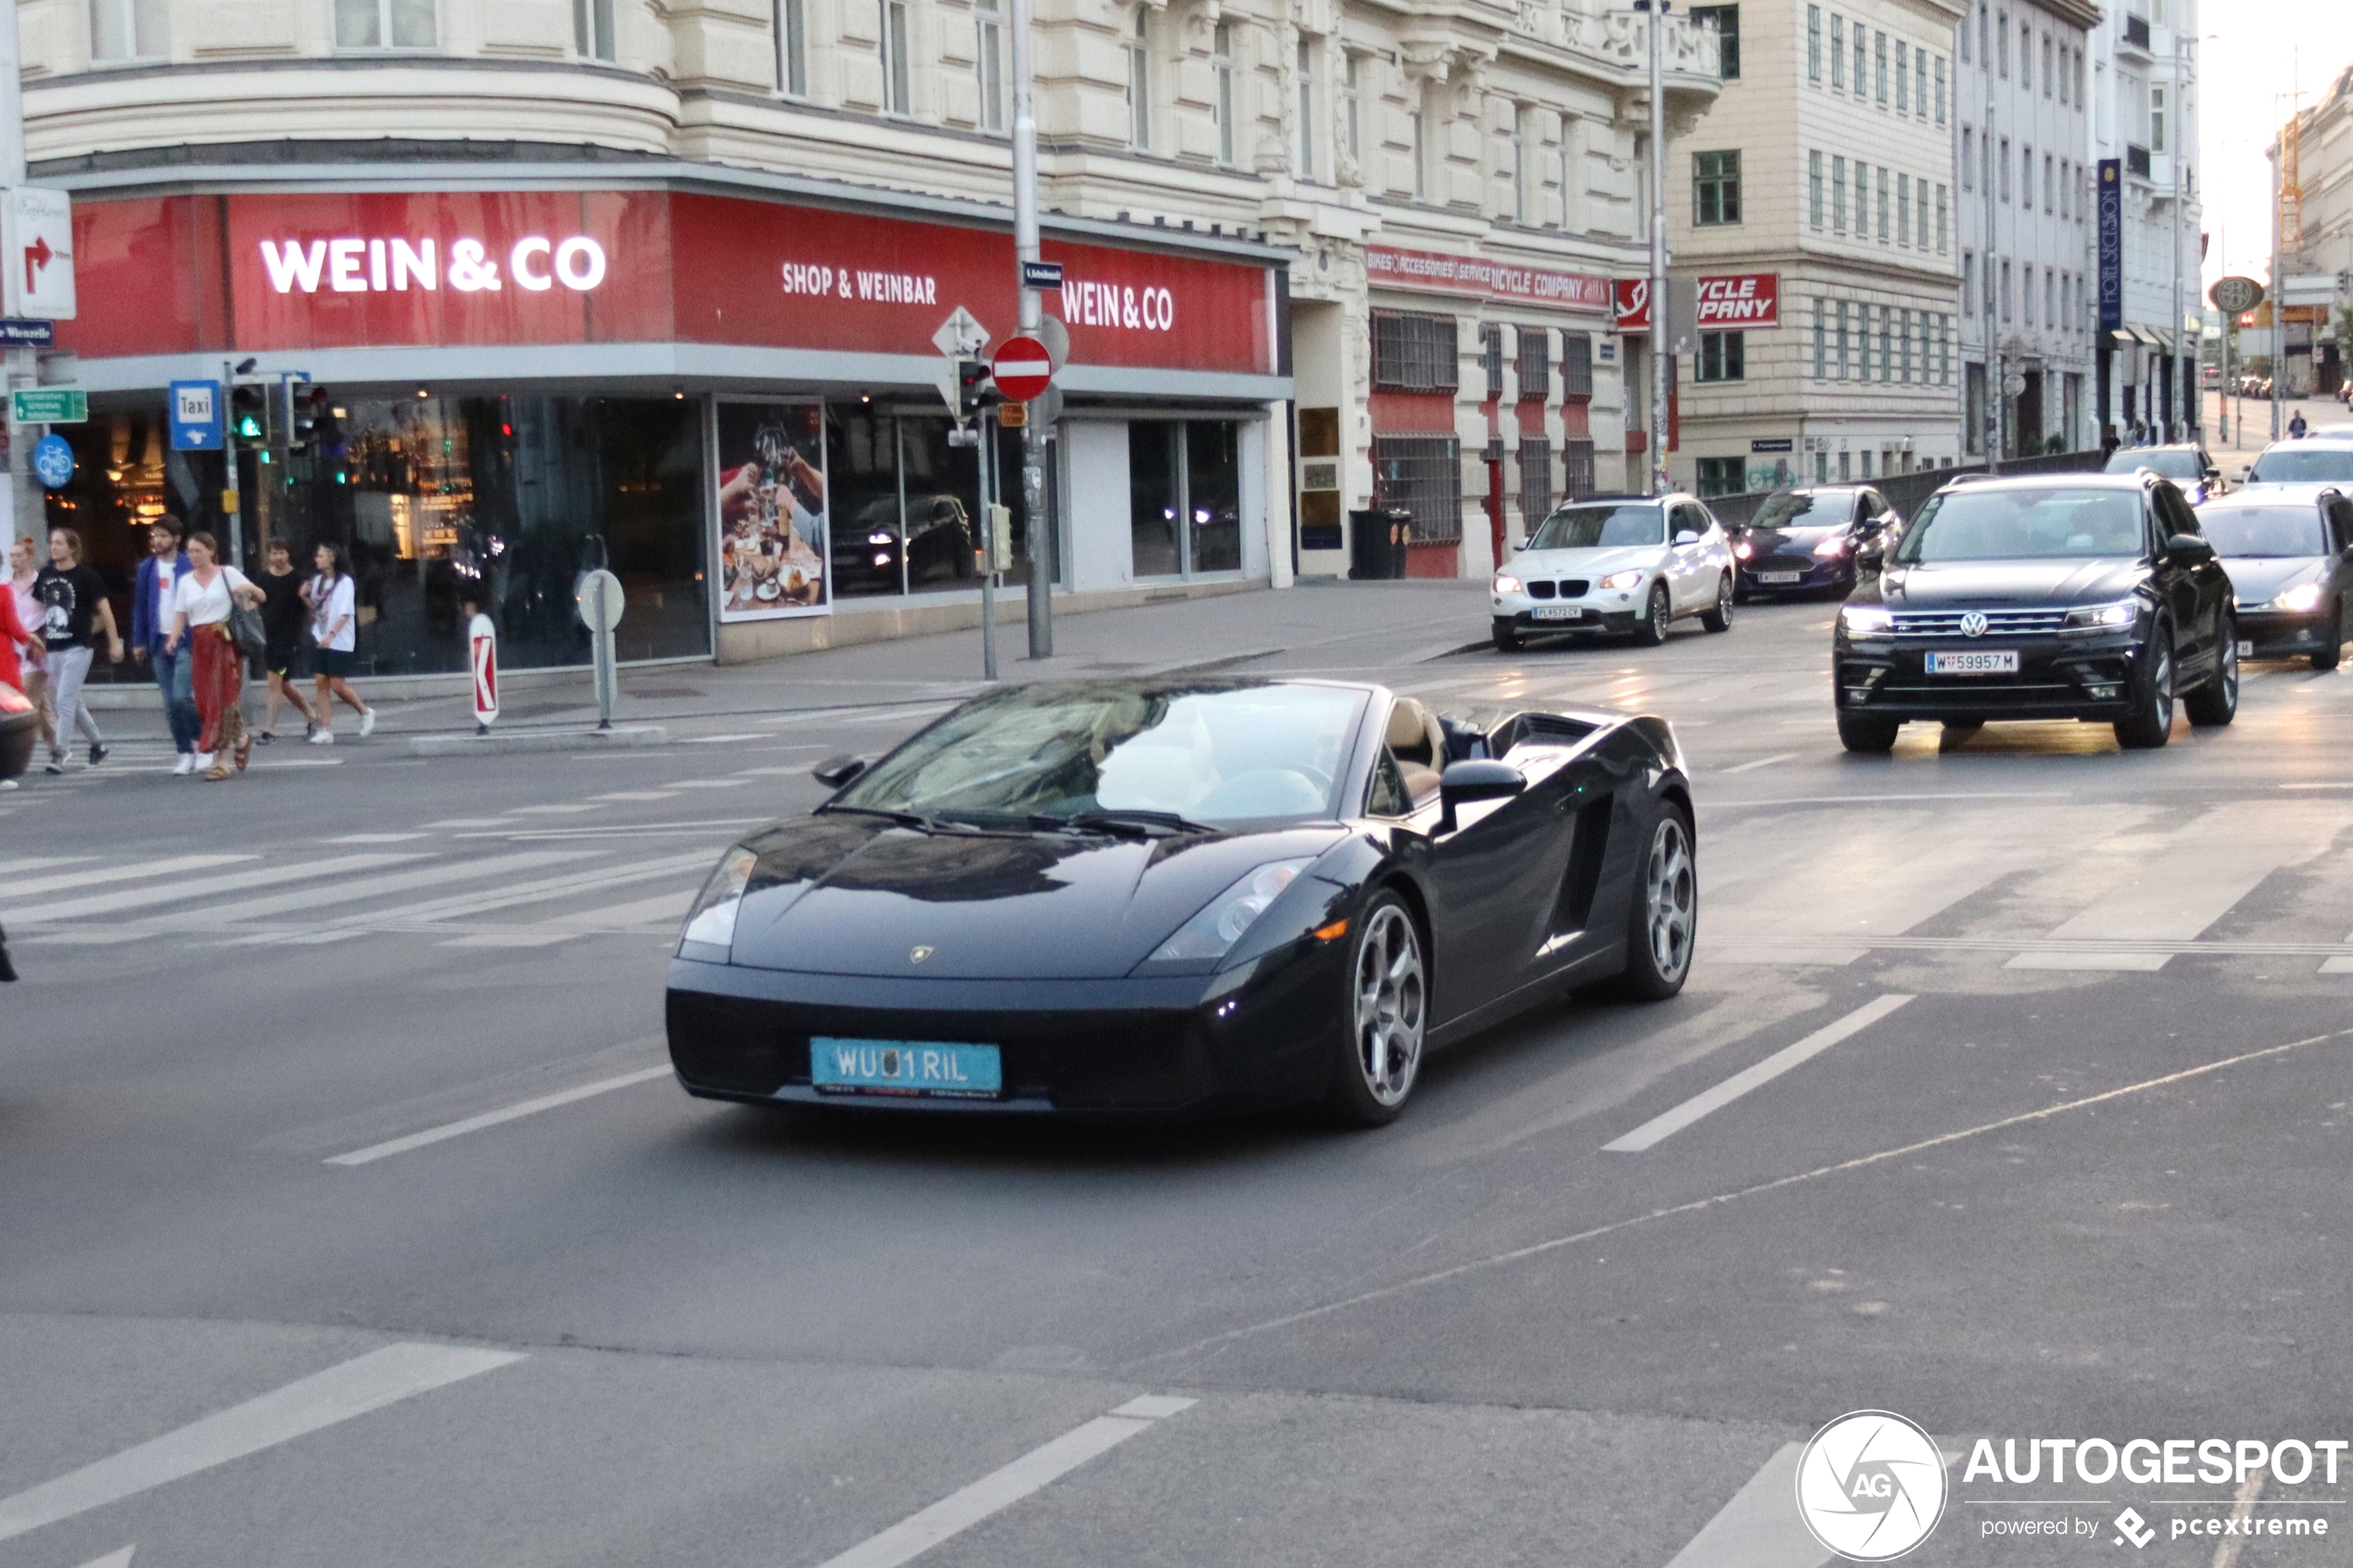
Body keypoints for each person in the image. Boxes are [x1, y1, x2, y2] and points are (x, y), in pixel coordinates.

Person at [162, 531, 262, 781]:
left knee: (222, 700)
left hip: (224, 643)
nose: (193, 555)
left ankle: (220, 762)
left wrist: (249, 588)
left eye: (198, 550)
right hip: (200, 644)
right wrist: (173, 637)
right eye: (190, 551)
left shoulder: (227, 574)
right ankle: (240, 738)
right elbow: (180, 613)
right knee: (205, 702)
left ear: (211, 551)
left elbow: (260, 596)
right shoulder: (186, 581)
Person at [32, 527, 120, 774]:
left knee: (63, 700)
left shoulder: (87, 577)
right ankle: (98, 745)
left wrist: (114, 641)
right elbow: (37, 610)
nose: (54, 547)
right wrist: (33, 639)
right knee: (71, 700)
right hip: (54, 646)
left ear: (72, 548)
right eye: (52, 543)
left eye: (60, 543)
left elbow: (106, 611)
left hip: (79, 645)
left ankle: (60, 753)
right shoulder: (46, 575)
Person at [130, 515, 201, 773]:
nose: (157, 541)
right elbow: (140, 606)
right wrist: (138, 640)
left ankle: (204, 739)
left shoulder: (188, 564)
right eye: (154, 536)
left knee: (182, 696)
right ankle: (185, 751)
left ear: (176, 538)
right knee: (170, 701)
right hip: (159, 640)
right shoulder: (147, 568)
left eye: (162, 536)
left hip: (185, 638)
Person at [303, 543, 374, 744]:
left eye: (321, 556)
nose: (317, 559)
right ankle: (326, 729)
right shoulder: (317, 582)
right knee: (321, 682)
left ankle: (365, 711)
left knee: (337, 684)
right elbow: (318, 609)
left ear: (332, 558)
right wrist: (304, 597)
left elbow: (345, 613)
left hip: (339, 639)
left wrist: (331, 635)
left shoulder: (345, 582)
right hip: (321, 635)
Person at [254, 538, 317, 744]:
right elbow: (256, 603)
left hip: (289, 639)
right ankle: (312, 715)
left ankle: (269, 730)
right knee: (283, 684)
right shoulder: (264, 578)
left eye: (282, 552)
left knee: (274, 680)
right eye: (274, 553)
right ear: (268, 555)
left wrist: (304, 597)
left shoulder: (298, 578)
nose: (278, 557)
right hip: (269, 638)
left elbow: (312, 605)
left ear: (288, 554)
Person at [8, 534, 57, 763]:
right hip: (14, 651)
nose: (14, 560)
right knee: (41, 705)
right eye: (11, 556)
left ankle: (15, 752)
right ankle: (58, 747)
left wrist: (44, 641)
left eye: (18, 555)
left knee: (25, 700)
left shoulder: (41, 583)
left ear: (29, 557)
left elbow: (52, 615)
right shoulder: (5, 586)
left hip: (36, 649)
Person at [0, 554, 38, 792]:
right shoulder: (3, 592)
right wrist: (31, 638)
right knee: (7, 713)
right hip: (2, 656)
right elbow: (11, 625)